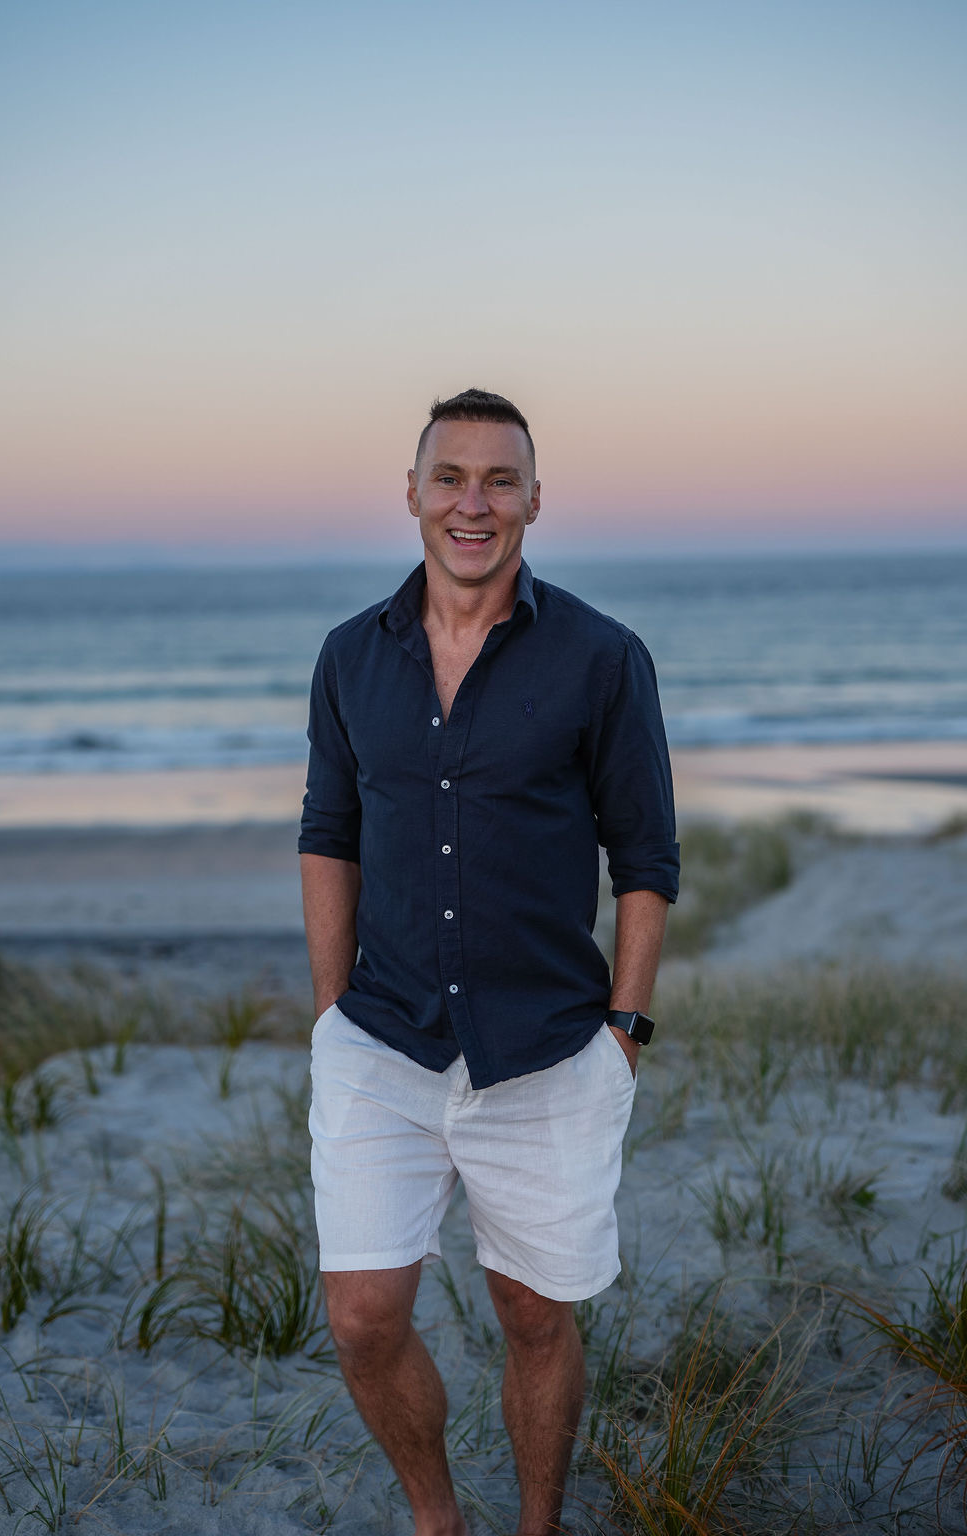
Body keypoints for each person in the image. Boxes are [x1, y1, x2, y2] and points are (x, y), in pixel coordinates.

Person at [299, 388, 679, 1536]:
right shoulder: (348, 657)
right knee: (363, 1317)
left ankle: (536, 1524)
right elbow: (329, 837)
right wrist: (330, 1015)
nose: (474, 503)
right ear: (411, 494)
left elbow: (645, 856)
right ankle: (437, 1521)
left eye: (499, 480)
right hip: (381, 1037)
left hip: (551, 1047)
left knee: (530, 1313)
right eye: (450, 478)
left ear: (533, 502)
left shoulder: (602, 657)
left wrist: (624, 1031)